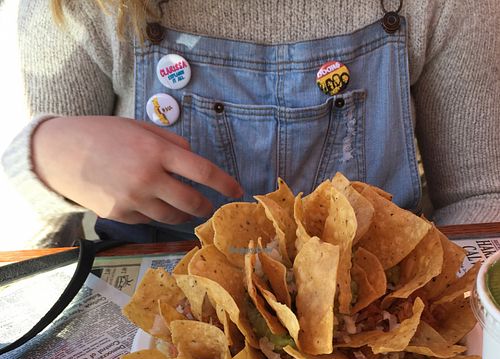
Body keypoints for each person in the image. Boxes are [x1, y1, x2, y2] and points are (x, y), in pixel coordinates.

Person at [2, 0, 499, 246]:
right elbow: (25, 237)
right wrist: (45, 156)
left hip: (379, 317)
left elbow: (481, 201)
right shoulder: (82, 8)